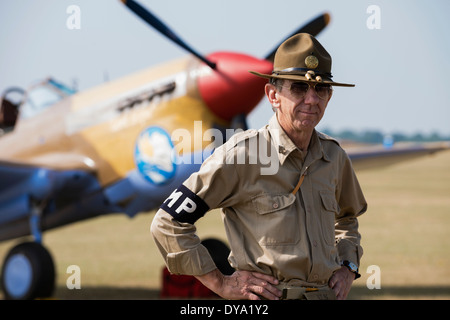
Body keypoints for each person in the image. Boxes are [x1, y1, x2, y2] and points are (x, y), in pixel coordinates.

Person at [151, 33, 367, 300]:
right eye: (299, 88)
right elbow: (168, 221)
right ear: (273, 95)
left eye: (320, 89)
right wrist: (220, 283)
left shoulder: (334, 157)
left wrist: (348, 266)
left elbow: (347, 218)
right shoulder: (242, 155)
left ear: (329, 96)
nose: (312, 99)